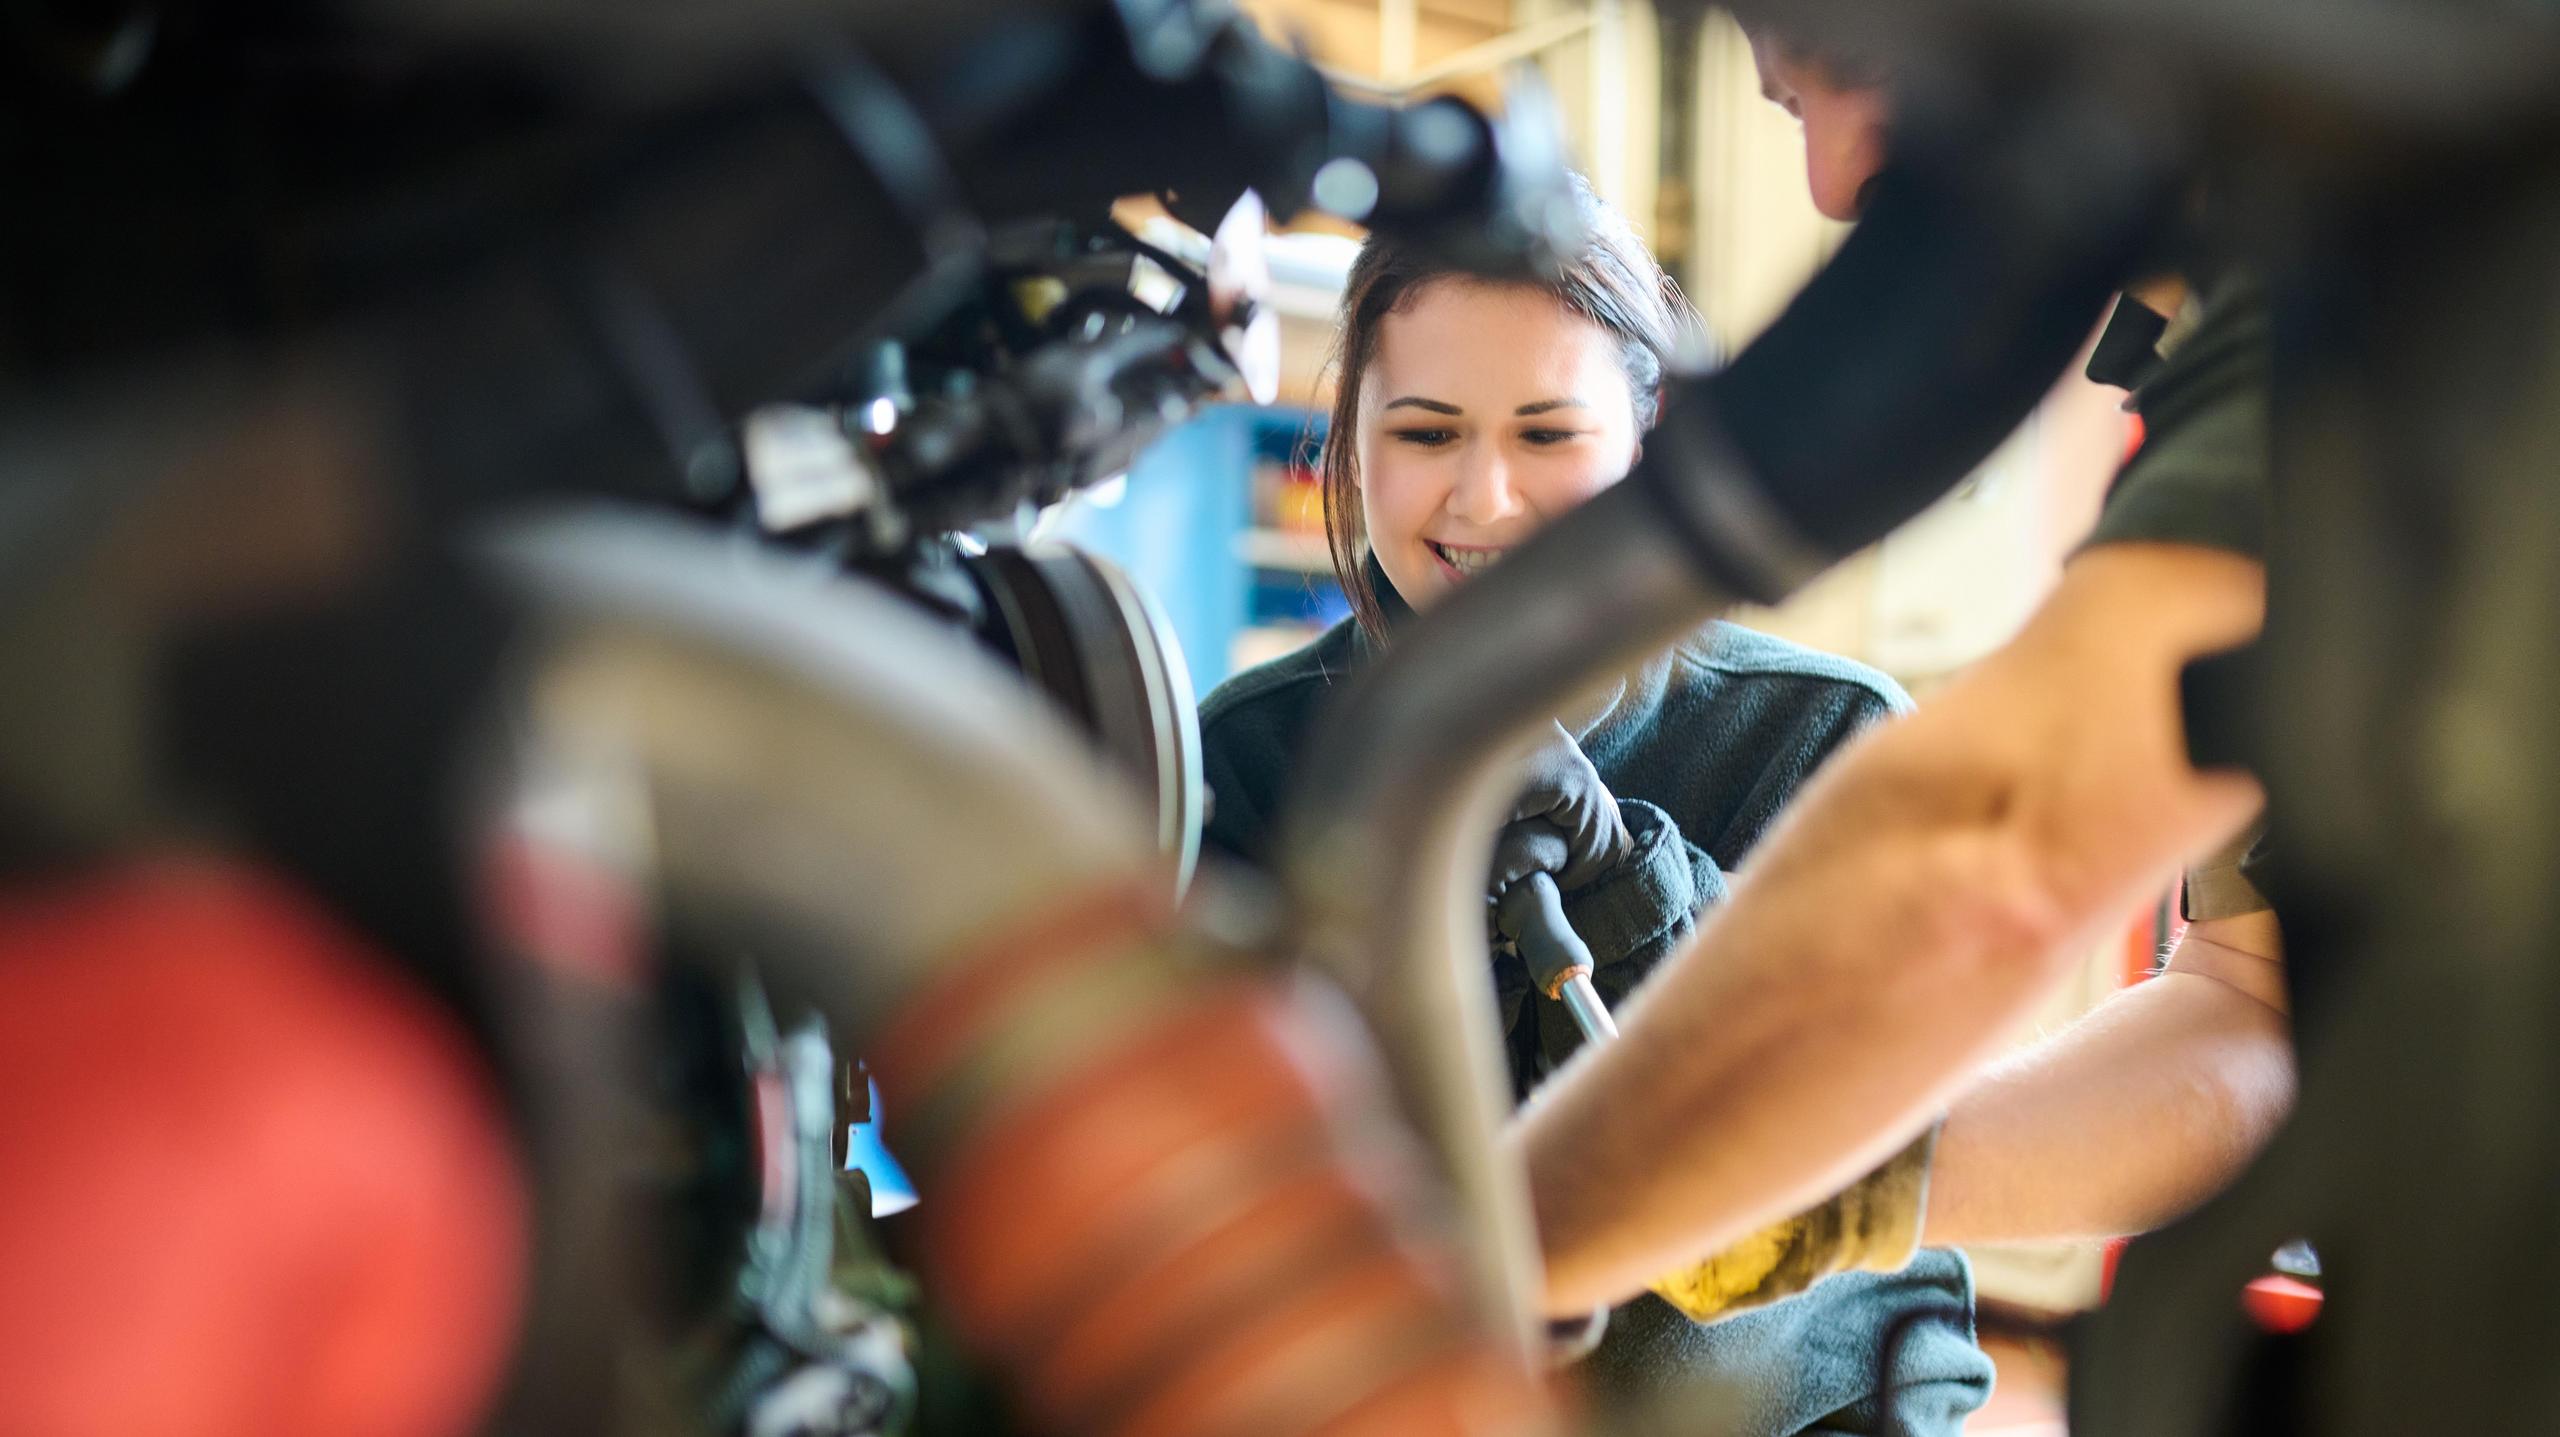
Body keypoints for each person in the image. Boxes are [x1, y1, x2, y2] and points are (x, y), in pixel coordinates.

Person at [1509, 22, 2294, 1323]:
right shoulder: (2231, 348)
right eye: (1786, 105)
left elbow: (1997, 842)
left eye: (1849, 50)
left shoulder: (2401, 281)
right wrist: (1833, 1185)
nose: (1830, 182)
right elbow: (2250, 1000)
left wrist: (1477, 1258)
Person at [1196, 177, 1993, 1435]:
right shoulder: (1242, 759)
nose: (1485, 498)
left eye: (1547, 434)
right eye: (1424, 433)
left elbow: (1869, 1176)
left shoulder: (1826, 737)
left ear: (1648, 433)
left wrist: (1636, 888)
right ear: (1350, 437)